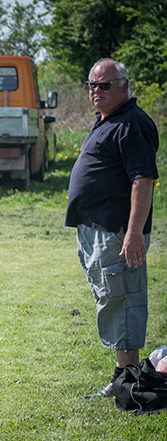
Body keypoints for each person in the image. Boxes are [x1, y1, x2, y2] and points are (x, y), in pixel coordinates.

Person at [66, 58, 159, 398]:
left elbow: (143, 179)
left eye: (104, 85)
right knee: (111, 298)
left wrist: (134, 233)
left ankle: (128, 382)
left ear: (124, 85)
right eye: (92, 85)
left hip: (119, 233)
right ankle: (124, 379)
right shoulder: (107, 120)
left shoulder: (132, 123)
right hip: (97, 228)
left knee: (124, 301)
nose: (96, 91)